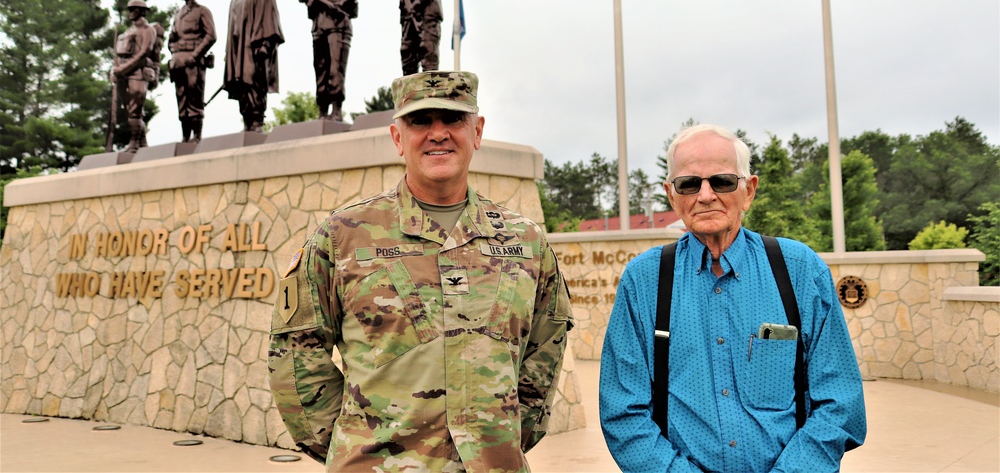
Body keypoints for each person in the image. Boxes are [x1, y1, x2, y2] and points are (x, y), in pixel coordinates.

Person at [269, 70, 574, 472]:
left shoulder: (526, 242)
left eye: (453, 119)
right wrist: (358, 447)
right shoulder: (343, 237)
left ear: (477, 132)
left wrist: (498, 440)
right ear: (398, 137)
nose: (438, 133)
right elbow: (295, 356)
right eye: (420, 121)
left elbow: (545, 350)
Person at [600, 124, 866, 473]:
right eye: (689, 184)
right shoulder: (644, 281)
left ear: (749, 190)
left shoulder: (800, 270)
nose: (706, 195)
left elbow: (840, 404)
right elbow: (623, 413)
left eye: (722, 181)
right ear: (671, 195)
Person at [298, 0, 358, 122]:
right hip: (319, 25)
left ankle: (336, 109)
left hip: (338, 25)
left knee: (335, 68)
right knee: (320, 68)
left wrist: (340, 3)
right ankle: (322, 110)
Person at [224, 0, 284, 132]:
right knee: (241, 82)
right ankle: (246, 121)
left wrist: (265, 44)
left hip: (255, 48)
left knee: (254, 81)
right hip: (238, 50)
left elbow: (270, 18)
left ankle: (257, 121)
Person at [168, 0, 216, 142]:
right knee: (181, 98)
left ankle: (197, 136)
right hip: (178, 61)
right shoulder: (178, 14)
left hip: (193, 62)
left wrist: (195, 55)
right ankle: (185, 136)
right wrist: (174, 50)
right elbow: (171, 38)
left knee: (194, 98)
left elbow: (211, 36)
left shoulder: (202, 11)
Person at [111, 0, 161, 152]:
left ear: (142, 11)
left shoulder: (148, 30)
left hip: (138, 72)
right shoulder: (128, 32)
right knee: (130, 110)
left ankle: (134, 144)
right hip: (124, 73)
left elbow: (143, 53)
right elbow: (120, 54)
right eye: (130, 9)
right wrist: (115, 70)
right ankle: (142, 143)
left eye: (135, 9)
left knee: (135, 109)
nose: (131, 12)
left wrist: (123, 68)